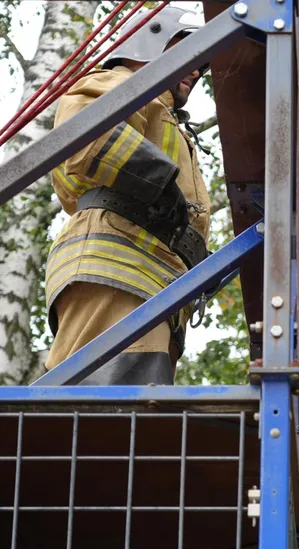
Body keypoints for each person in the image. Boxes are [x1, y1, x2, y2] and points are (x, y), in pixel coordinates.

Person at [45, 6, 211, 384]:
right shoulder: (121, 82)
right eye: (187, 51)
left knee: (135, 410)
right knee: (103, 402)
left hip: (152, 277)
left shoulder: (164, 117)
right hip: (118, 265)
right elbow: (84, 131)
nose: (197, 71)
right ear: (150, 40)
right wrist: (158, 179)